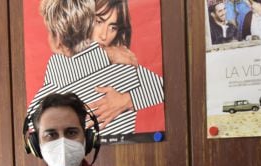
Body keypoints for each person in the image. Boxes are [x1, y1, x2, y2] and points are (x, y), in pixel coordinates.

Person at [29, 0, 164, 136]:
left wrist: (126, 100)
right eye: (98, 22)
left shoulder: (122, 66)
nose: (104, 36)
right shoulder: (62, 66)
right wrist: (106, 54)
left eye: (113, 27)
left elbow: (164, 88)